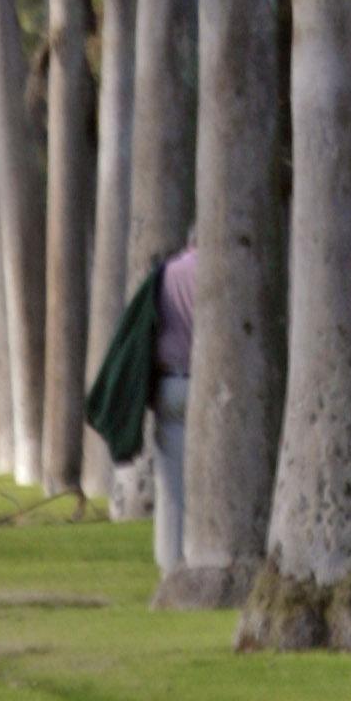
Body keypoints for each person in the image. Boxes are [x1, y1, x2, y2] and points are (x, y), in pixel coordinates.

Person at [152, 239, 198, 578]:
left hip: (169, 385)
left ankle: (170, 566)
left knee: (170, 485)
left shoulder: (166, 274)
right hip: (205, 387)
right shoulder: (217, 271)